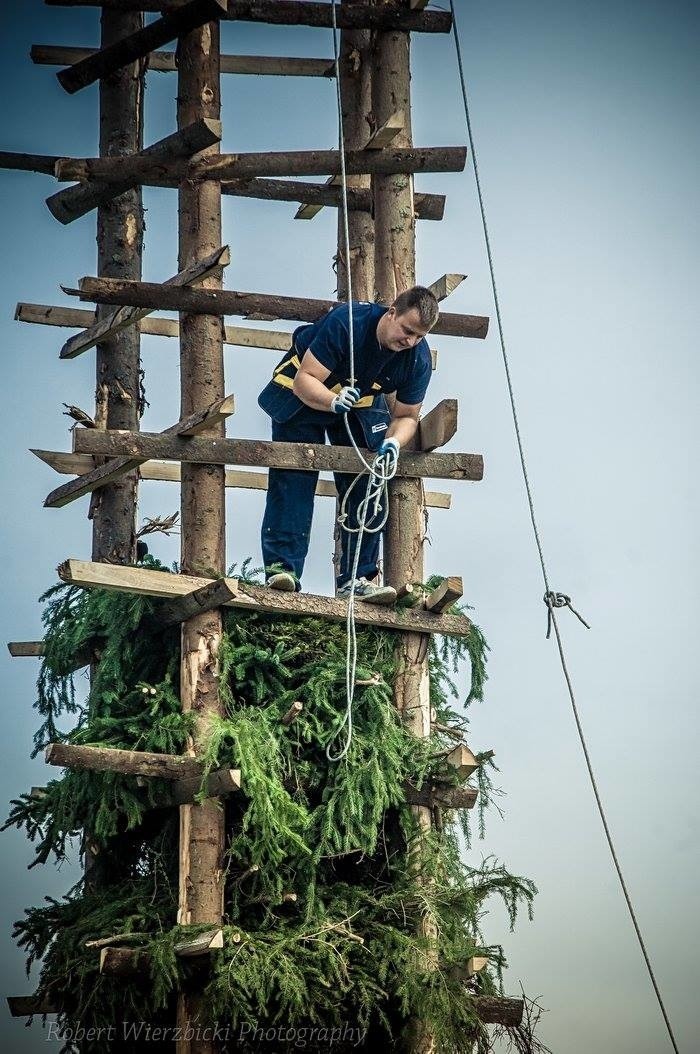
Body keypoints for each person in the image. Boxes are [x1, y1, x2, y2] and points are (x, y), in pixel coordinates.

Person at [258, 286, 440, 604]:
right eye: (407, 330)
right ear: (391, 313)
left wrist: (395, 442)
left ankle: (357, 577)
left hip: (359, 402)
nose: (410, 341)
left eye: (419, 336)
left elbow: (407, 415)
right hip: (304, 393)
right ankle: (281, 571)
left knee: (367, 480)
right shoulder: (348, 322)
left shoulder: (417, 360)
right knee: (295, 477)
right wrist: (332, 401)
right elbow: (305, 380)